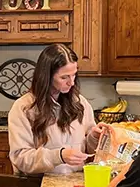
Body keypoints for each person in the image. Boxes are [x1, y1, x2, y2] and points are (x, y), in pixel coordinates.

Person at [7, 44, 105, 175]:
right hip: (37, 184)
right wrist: (58, 156)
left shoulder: (80, 103)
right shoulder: (23, 108)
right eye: (64, 77)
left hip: (74, 182)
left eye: (74, 75)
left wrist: (94, 137)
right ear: (46, 77)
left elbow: (89, 152)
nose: (71, 82)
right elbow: (20, 158)